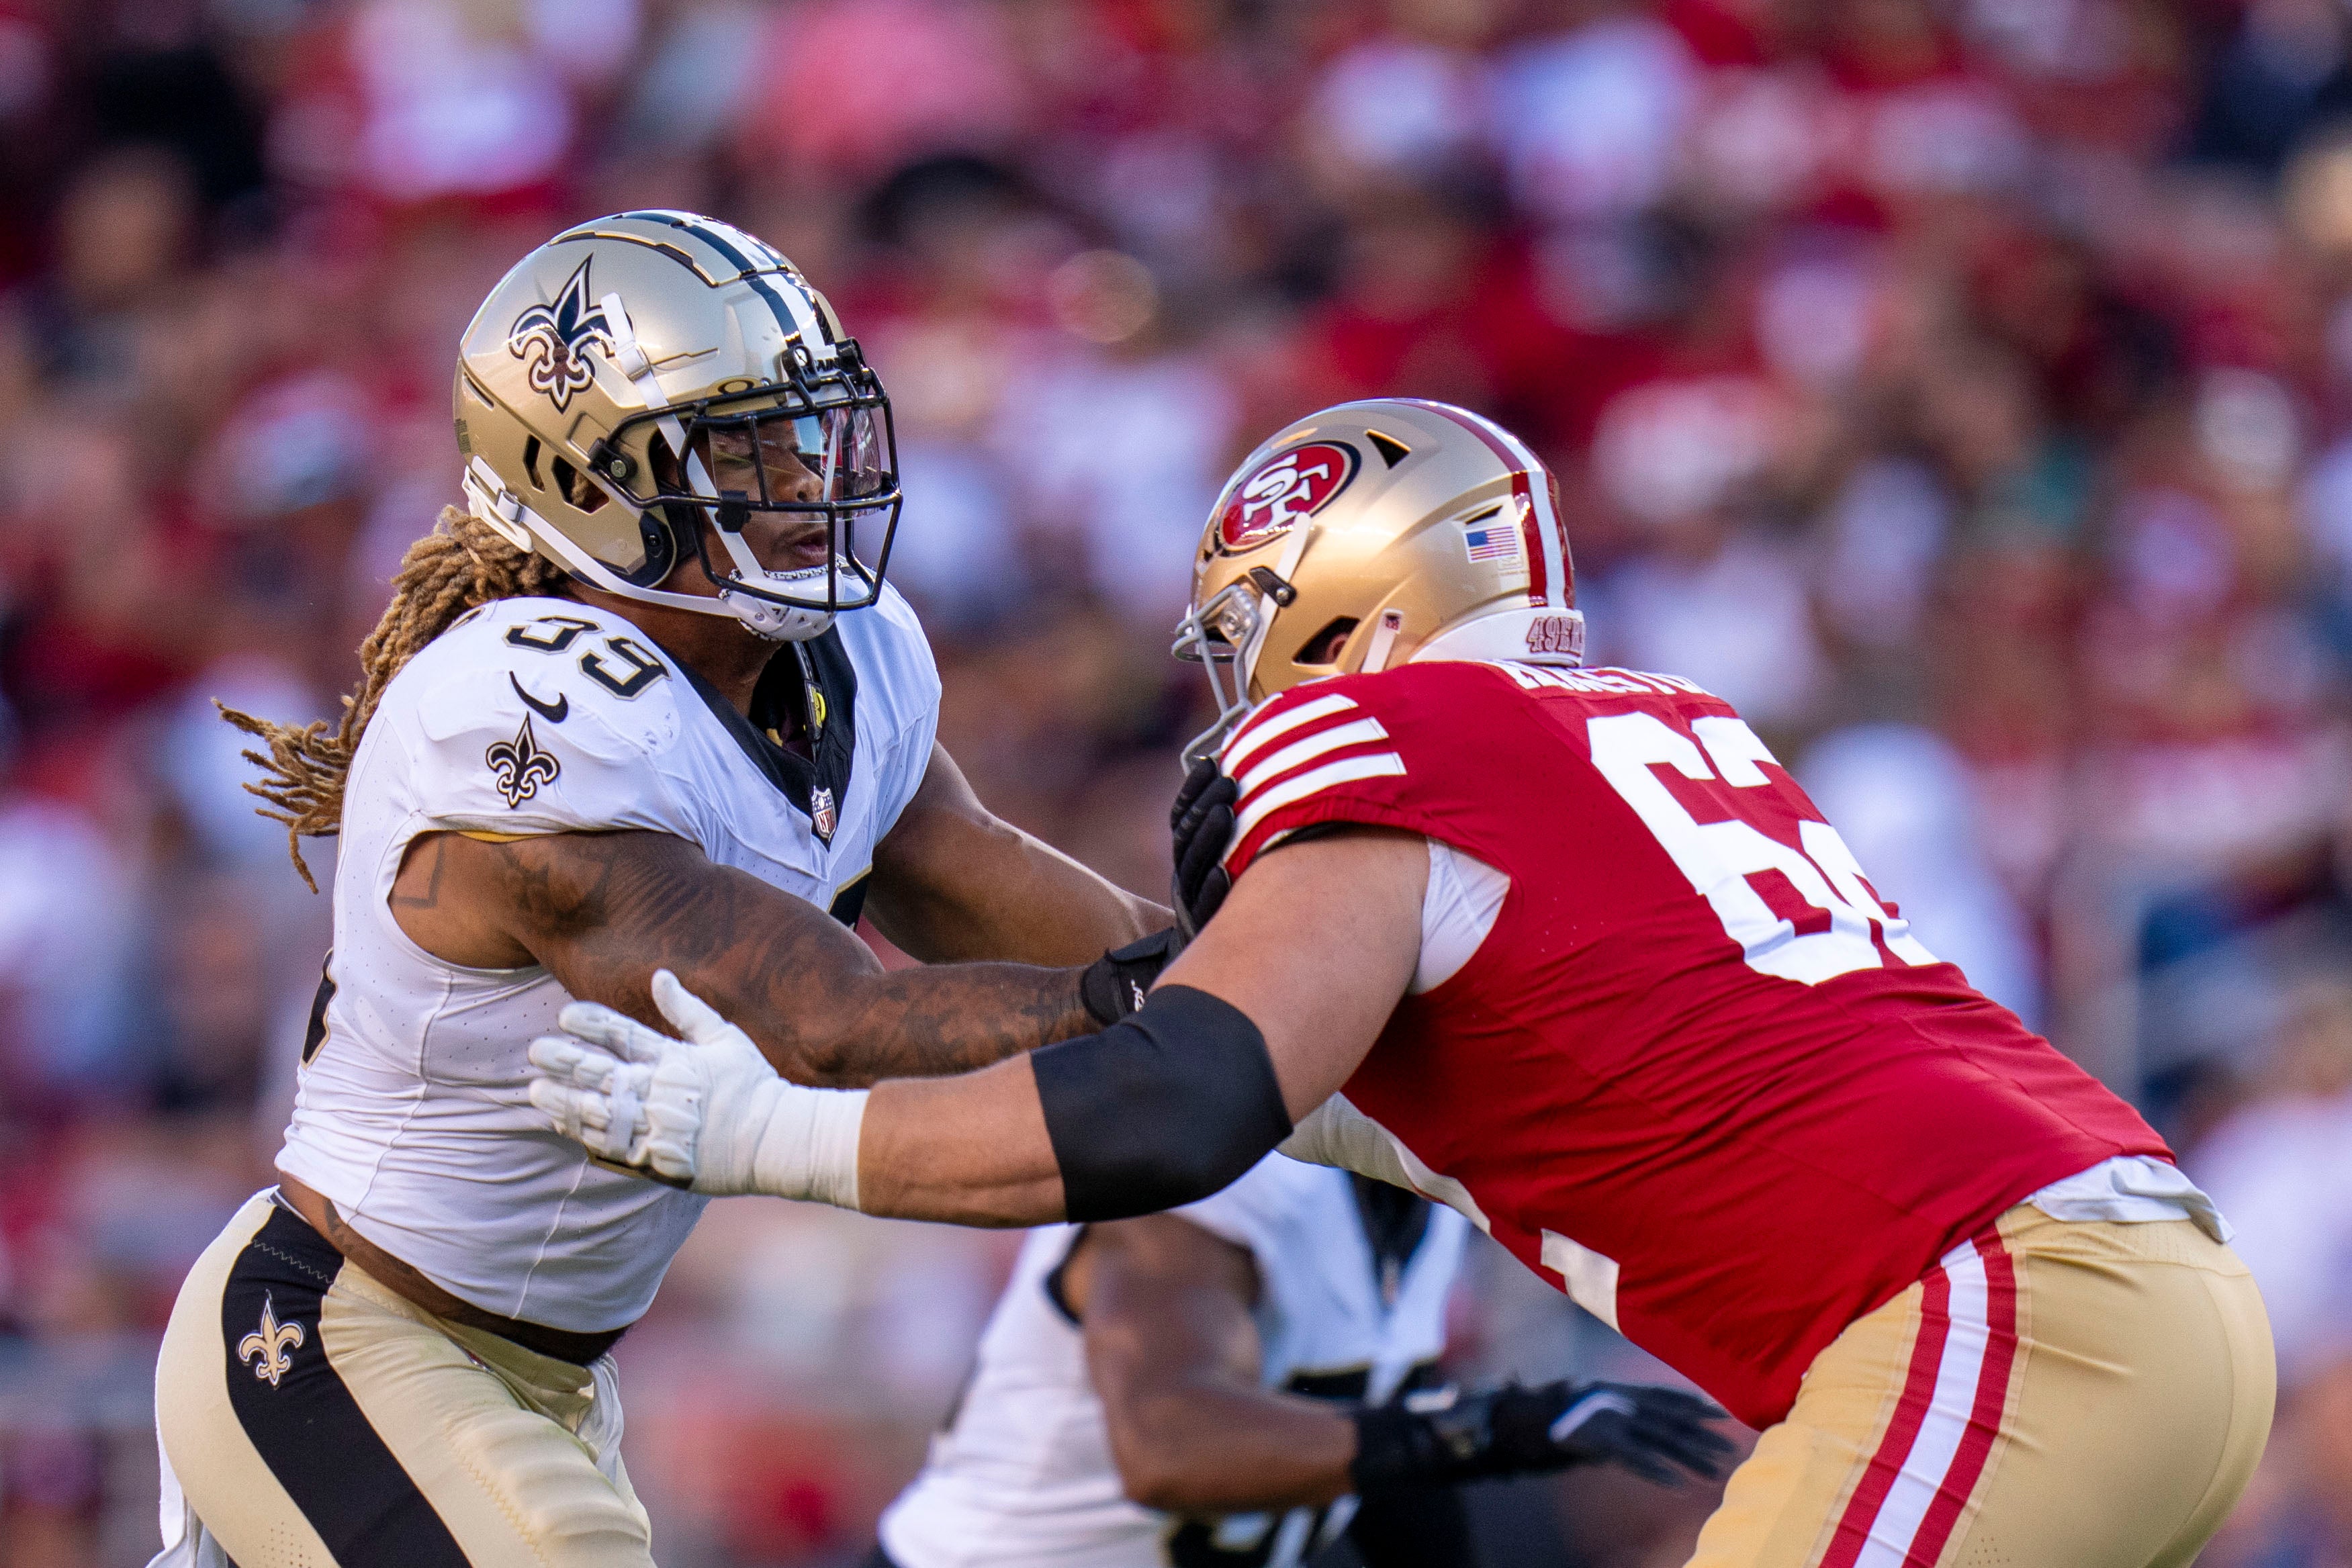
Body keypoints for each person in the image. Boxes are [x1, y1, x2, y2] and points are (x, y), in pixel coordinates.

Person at [534, 398, 2278, 1568]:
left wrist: (773, 1136)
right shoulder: (1631, 734)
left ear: (1333, 610)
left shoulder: (1397, 744)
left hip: (1989, 1307)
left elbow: (1186, 1091)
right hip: (2136, 1283)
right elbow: (1266, 1039)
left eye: (1242, 637)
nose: (1234, 695)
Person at [151, 211, 1175, 1568]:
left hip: (543, 1378)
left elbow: (963, 869)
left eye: (808, 429)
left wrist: (1240, 971)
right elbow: (819, 1025)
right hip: (347, 1340)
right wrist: (1169, 1007)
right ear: (587, 486)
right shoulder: (523, 709)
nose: (804, 474)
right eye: (743, 447)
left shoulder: (840, 657)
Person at [869, 1154, 1727, 1568]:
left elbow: (1383, 1469)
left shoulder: (1419, 1212)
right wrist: (1486, 1429)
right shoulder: (1212, 1168)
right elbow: (1166, 1445)